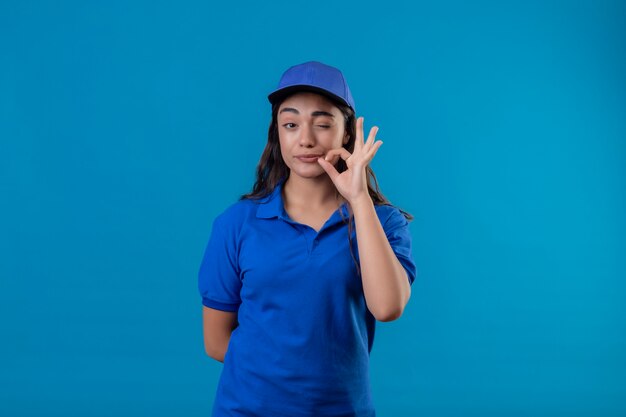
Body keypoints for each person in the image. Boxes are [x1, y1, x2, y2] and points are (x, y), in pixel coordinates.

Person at [198, 61, 417, 417]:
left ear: (347, 133)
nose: (306, 139)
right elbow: (215, 340)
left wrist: (358, 199)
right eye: (290, 124)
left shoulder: (383, 223)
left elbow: (388, 307)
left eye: (323, 123)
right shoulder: (237, 223)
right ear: (278, 134)